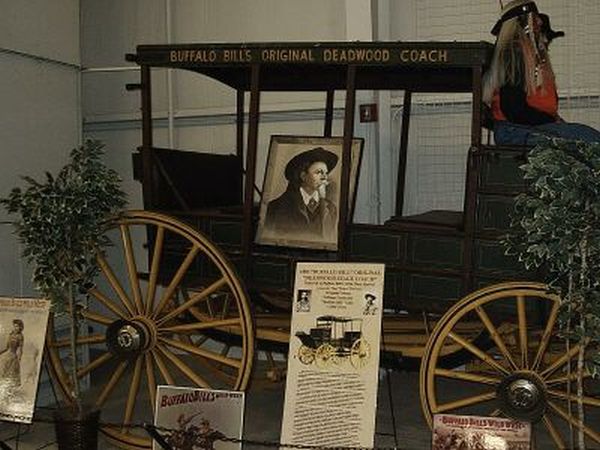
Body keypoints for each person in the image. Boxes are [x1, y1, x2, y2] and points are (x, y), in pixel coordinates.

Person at [483, 0, 600, 146]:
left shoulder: (526, 55)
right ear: (521, 23)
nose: (539, 22)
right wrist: (552, 121)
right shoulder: (515, 53)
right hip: (515, 130)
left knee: (587, 137)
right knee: (592, 141)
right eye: (534, 17)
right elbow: (513, 108)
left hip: (523, 128)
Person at [264, 147, 338, 239]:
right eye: (319, 172)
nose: (324, 177)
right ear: (303, 176)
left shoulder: (331, 209)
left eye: (326, 173)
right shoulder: (276, 207)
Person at [0, 319, 24, 389]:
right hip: (7, 354)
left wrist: (19, 358)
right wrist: (1, 352)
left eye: (17, 326)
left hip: (13, 356)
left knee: (11, 372)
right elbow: (7, 347)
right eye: (14, 326)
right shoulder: (11, 334)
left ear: (20, 327)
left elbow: (20, 348)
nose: (15, 328)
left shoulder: (20, 336)